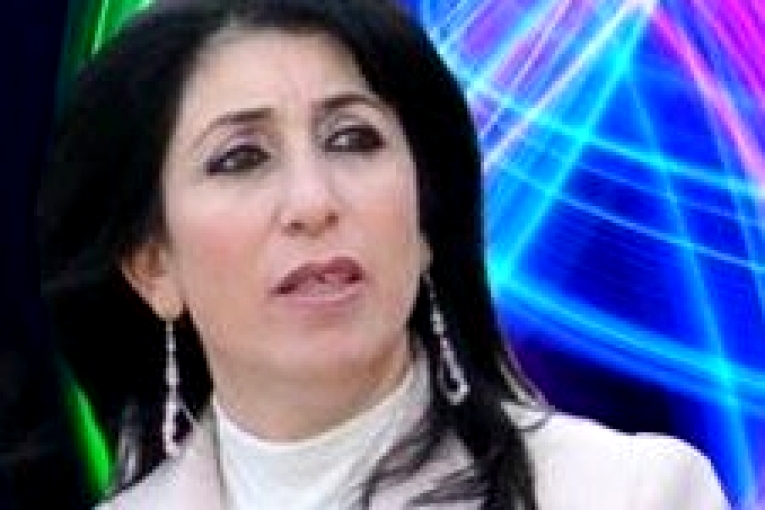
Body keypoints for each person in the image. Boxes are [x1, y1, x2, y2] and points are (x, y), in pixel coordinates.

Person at [36, 0, 732, 508]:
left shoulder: (629, 492)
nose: (313, 202)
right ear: (153, 265)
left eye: (352, 140)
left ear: (425, 218)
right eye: (240, 158)